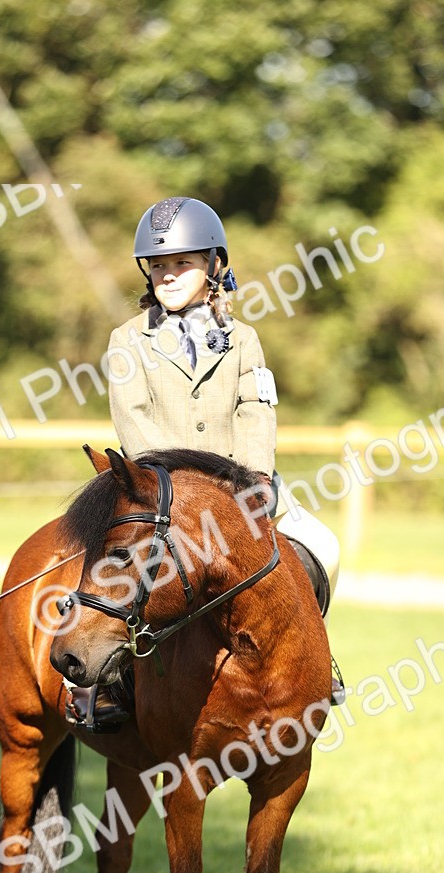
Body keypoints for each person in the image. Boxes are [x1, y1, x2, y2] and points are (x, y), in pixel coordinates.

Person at [65, 197, 344, 730]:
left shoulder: (244, 340)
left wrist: (256, 479)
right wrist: (181, 491)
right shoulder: (127, 340)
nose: (168, 275)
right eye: (160, 266)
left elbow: (255, 409)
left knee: (324, 549)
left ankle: (313, 664)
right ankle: (103, 685)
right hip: (160, 493)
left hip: (241, 487)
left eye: (182, 264)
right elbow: (134, 419)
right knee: (111, 565)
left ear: (213, 266)